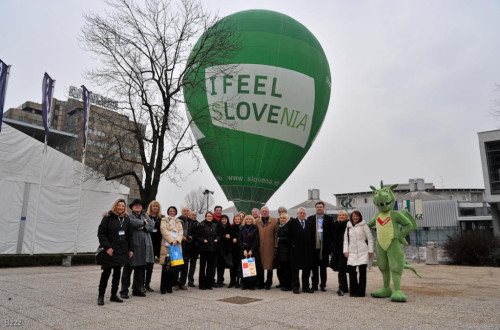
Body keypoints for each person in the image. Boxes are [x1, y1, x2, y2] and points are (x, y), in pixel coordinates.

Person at [97, 199, 134, 306]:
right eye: (119, 205)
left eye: (123, 206)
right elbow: (101, 233)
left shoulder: (126, 219)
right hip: (110, 250)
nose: (121, 207)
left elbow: (129, 236)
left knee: (117, 273)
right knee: (106, 273)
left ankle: (113, 295)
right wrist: (107, 247)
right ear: (115, 206)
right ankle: (101, 296)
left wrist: (131, 249)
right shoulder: (108, 217)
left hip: (122, 250)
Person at [120, 199, 154, 298]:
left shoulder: (145, 215)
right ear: (132, 207)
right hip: (133, 247)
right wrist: (143, 223)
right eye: (136, 205)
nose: (138, 207)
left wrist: (143, 227)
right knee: (128, 269)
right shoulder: (128, 216)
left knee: (140, 270)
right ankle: (124, 291)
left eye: (140, 205)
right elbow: (132, 223)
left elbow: (152, 225)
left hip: (144, 247)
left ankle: (137, 289)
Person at [343, 210, 374, 297]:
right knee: (352, 272)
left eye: (357, 216)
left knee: (362, 273)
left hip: (363, 252)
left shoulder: (364, 225)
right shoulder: (348, 226)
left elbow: (370, 239)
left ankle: (361, 292)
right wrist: (345, 251)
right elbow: (346, 240)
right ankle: (353, 291)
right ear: (351, 217)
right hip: (352, 252)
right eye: (353, 216)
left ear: (360, 217)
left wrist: (370, 251)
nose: (355, 217)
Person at [287, 207, 315, 294]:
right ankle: (295, 287)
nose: (302, 214)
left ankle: (306, 287)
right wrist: (292, 246)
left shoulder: (309, 224)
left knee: (306, 270)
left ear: (305, 214)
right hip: (295, 251)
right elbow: (288, 237)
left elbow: (312, 237)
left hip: (307, 251)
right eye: (300, 213)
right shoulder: (291, 223)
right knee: (295, 270)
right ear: (297, 214)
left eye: (303, 213)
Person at [308, 201, 335, 292]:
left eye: (321, 207)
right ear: (315, 208)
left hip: (325, 247)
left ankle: (323, 285)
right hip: (314, 247)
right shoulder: (310, 219)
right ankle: (314, 285)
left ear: (324, 208)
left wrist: (330, 247)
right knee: (314, 267)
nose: (319, 208)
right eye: (317, 207)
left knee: (323, 267)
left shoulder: (329, 219)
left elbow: (331, 234)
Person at [159, 206, 183, 294]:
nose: (172, 212)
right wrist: (171, 240)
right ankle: (163, 288)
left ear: (176, 212)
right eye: (170, 211)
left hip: (176, 246)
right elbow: (164, 231)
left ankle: (169, 287)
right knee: (165, 268)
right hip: (167, 246)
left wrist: (177, 240)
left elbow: (181, 232)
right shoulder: (164, 220)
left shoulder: (179, 222)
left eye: (173, 211)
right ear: (168, 212)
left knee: (173, 268)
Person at [255, 206, 278, 290]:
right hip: (259, 247)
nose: (264, 212)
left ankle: (268, 283)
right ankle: (260, 283)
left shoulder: (274, 221)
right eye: (263, 211)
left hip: (270, 246)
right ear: (260, 213)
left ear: (268, 212)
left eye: (266, 211)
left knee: (269, 266)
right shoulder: (257, 221)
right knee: (259, 265)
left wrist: (276, 245)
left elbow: (276, 234)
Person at [197, 211, 220, 290]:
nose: (209, 217)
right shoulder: (201, 225)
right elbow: (197, 237)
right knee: (203, 267)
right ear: (205, 217)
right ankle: (202, 284)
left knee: (210, 268)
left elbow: (218, 235)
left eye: (210, 216)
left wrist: (217, 239)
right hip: (204, 249)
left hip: (212, 249)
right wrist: (203, 240)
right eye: (208, 216)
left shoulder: (215, 225)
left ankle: (209, 284)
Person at [145, 200, 163, 292]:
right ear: (150, 207)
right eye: (153, 206)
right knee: (145, 265)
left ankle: (147, 284)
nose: (155, 207)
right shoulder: (146, 217)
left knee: (150, 266)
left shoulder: (161, 218)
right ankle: (141, 284)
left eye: (157, 206)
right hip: (148, 243)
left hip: (157, 244)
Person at [177, 205, 196, 290]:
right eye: (184, 210)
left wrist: (191, 237)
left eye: (187, 211)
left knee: (185, 266)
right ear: (181, 212)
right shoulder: (177, 220)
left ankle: (182, 283)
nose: (186, 212)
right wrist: (180, 237)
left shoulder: (191, 221)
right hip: (177, 245)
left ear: (189, 212)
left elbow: (195, 233)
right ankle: (175, 283)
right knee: (176, 265)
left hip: (188, 246)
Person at [239, 215, 259, 290]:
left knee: (251, 267)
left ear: (252, 220)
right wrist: (243, 249)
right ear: (245, 220)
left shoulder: (255, 228)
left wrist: (251, 250)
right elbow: (239, 240)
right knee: (244, 268)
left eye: (250, 219)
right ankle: (244, 284)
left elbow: (256, 240)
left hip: (252, 250)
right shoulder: (241, 228)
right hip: (244, 250)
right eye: (247, 219)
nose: (248, 220)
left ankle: (252, 284)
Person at [333, 210, 349, 296]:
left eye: (343, 215)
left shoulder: (349, 225)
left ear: (346, 216)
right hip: (338, 250)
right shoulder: (335, 224)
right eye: (340, 215)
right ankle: (342, 287)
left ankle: (348, 287)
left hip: (347, 250)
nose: (341, 216)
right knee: (341, 269)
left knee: (348, 269)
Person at [276, 212, 292, 291]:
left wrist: (280, 239)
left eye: (284, 218)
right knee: (281, 269)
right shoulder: (280, 227)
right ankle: (283, 283)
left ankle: (287, 285)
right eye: (281, 218)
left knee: (286, 269)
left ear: (287, 219)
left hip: (285, 251)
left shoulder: (288, 227)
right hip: (280, 251)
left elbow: (290, 238)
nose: (282, 219)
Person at [216, 214, 231, 287]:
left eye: (225, 219)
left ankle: (221, 280)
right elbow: (217, 237)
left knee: (224, 266)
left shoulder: (229, 227)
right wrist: (224, 237)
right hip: (219, 249)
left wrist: (229, 237)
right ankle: (219, 280)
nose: (224, 220)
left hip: (227, 249)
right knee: (219, 266)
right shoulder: (217, 227)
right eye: (222, 219)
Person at [228, 214, 242, 288]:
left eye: (238, 219)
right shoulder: (231, 228)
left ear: (240, 220)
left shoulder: (242, 227)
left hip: (240, 249)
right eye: (236, 219)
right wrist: (232, 239)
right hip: (233, 249)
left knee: (238, 266)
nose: (237, 220)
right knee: (232, 266)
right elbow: (228, 237)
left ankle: (238, 281)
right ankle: (232, 281)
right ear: (234, 220)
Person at [186, 210, 200, 287]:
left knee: (193, 266)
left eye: (195, 215)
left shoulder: (198, 224)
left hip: (195, 248)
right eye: (192, 214)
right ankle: (181, 280)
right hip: (187, 247)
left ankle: (190, 281)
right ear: (189, 215)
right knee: (184, 265)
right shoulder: (186, 223)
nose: (194, 216)